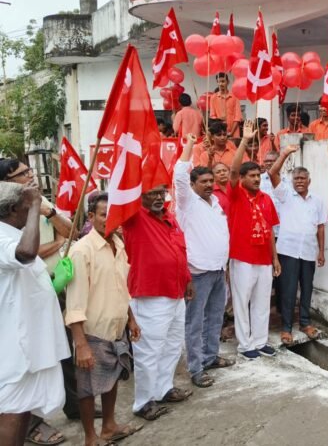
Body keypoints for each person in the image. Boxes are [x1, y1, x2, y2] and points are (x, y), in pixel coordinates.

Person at [1, 158, 79, 445]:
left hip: (30, 344)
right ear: (12, 210)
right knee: (12, 411)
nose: (30, 213)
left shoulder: (12, 231)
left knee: (22, 410)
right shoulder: (2, 237)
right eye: (25, 209)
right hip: (14, 349)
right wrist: (36, 207)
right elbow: (25, 254)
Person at [65, 192, 142, 445]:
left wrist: (130, 319)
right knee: (87, 388)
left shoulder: (118, 244)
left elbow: (122, 287)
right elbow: (74, 303)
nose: (110, 219)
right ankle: (90, 437)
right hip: (93, 332)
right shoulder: (81, 251)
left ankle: (109, 426)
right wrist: (82, 344)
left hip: (117, 328)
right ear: (91, 217)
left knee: (112, 378)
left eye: (115, 214)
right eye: (103, 214)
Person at [122, 182, 194, 421]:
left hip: (175, 293)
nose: (157, 197)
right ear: (139, 196)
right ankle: (143, 402)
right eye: (150, 193)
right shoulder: (135, 219)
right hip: (150, 296)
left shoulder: (169, 218)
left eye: (160, 192)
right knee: (148, 352)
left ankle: (164, 388)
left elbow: (179, 252)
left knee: (173, 346)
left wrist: (187, 279)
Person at [175, 135, 233, 389]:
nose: (209, 184)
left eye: (211, 180)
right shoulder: (187, 202)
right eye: (204, 181)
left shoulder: (216, 202)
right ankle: (196, 368)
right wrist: (189, 145)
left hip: (219, 269)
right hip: (197, 272)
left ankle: (210, 357)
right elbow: (179, 173)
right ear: (193, 184)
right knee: (195, 322)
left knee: (216, 317)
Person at [226, 120, 281, 360]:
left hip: (264, 258)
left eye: (258, 175)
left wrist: (275, 258)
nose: (257, 179)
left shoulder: (266, 199)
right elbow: (233, 171)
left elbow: (269, 230)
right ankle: (245, 344)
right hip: (243, 256)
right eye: (252, 176)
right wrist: (246, 141)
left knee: (261, 302)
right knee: (242, 301)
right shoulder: (236, 194)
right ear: (243, 179)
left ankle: (260, 341)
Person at [269, 146, 327, 346]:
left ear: (309, 181)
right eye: (296, 178)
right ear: (292, 181)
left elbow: (320, 227)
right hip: (288, 251)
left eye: (303, 178)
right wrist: (284, 154)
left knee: (307, 289)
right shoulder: (284, 195)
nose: (300, 181)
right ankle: (286, 328)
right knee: (288, 290)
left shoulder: (317, 201)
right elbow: (272, 173)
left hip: (309, 251)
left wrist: (321, 251)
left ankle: (304, 322)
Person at [209, 73, 242, 137]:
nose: (221, 84)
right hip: (219, 133)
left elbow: (238, 117)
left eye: (223, 81)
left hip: (234, 133)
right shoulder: (213, 97)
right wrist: (219, 122)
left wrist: (231, 133)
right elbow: (213, 116)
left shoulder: (235, 97)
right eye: (218, 82)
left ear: (228, 82)